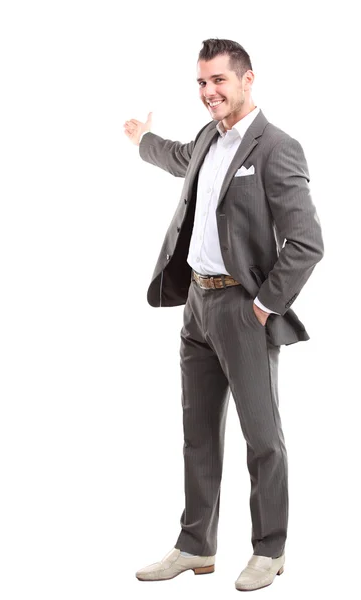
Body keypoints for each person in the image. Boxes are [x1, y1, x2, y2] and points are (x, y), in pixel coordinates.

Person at [123, 38, 324, 592]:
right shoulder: (208, 139)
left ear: (247, 79)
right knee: (198, 435)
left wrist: (262, 306)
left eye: (219, 81)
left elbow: (306, 242)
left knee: (263, 438)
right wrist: (143, 139)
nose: (209, 92)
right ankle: (195, 545)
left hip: (243, 310)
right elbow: (176, 159)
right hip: (195, 307)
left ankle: (270, 549)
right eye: (201, 83)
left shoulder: (277, 148)